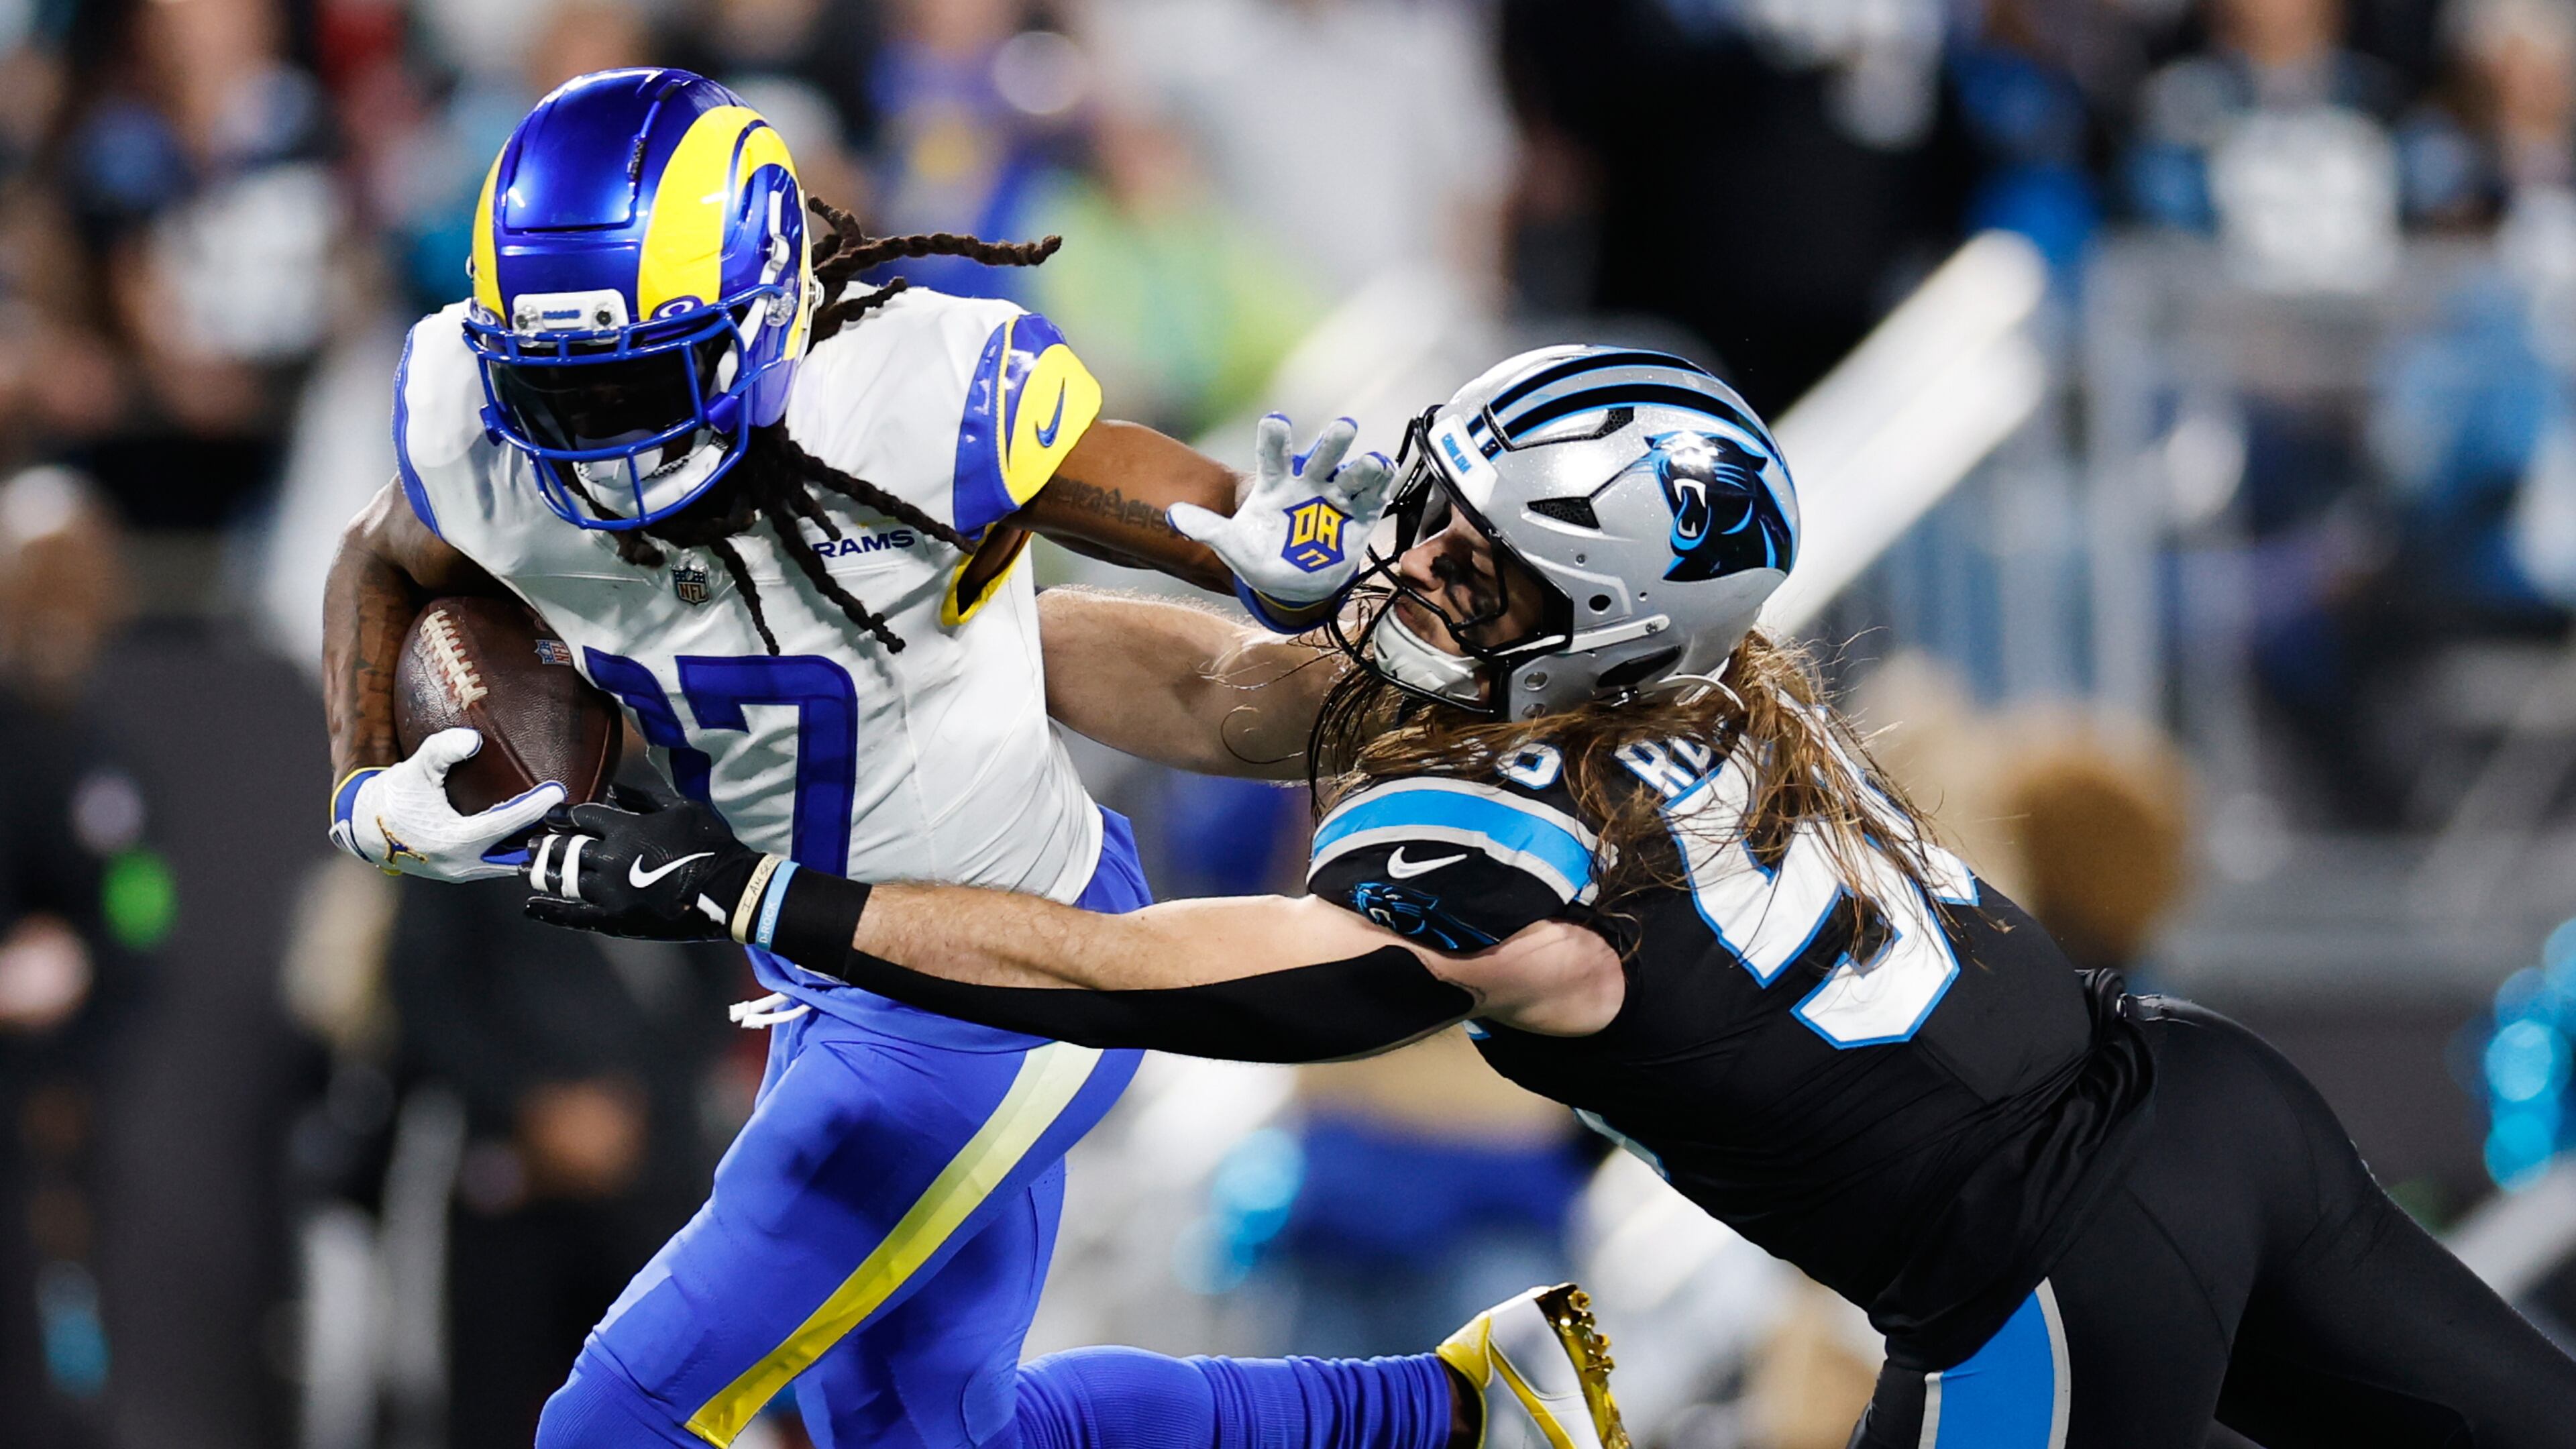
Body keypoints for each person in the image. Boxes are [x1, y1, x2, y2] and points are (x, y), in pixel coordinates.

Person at [528, 345, 2576, 1446]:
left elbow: (1156, 975)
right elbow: (1230, 686)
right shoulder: (1683, 691)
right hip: (2208, 1109)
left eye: (1480, 568)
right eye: (1438, 520)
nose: (1417, 567)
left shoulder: (1519, 836)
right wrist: (924, 640)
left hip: (2050, 1273)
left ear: (1593, 624)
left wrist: (766, 894)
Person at [319, 67, 1615, 1449]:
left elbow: (1116, 480)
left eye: (653, 373)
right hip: (828, 972)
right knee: (932, 1436)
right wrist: (360, 779)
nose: (617, 440)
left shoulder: (901, 390)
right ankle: (1469, 1408)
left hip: (1005, 986)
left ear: (771, 308)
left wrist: (1239, 525)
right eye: (572, 393)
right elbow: (378, 555)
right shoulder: (478, 428)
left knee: (617, 1424)